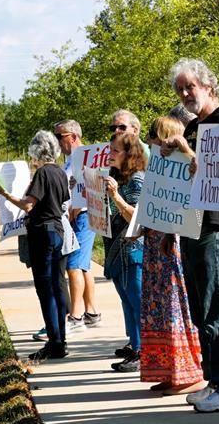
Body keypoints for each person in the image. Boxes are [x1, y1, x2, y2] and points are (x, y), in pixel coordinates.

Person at [164, 58, 219, 413]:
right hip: (193, 226)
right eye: (180, 89)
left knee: (218, 308)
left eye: (190, 87)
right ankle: (215, 380)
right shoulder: (198, 125)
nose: (185, 94)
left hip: (215, 228)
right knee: (202, 310)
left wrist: (185, 150)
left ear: (208, 87)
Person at [0, 130, 72, 361]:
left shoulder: (43, 173)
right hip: (57, 231)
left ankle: (55, 342)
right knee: (57, 285)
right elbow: (63, 199)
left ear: (37, 150)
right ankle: (60, 340)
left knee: (45, 290)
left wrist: (1, 192)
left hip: (42, 233)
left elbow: (28, 205)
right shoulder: (60, 172)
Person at [139, 115, 205, 394]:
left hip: (171, 243)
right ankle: (167, 371)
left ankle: (187, 372)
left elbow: (186, 202)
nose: (151, 142)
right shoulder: (158, 165)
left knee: (174, 306)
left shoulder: (183, 165)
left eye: (155, 136)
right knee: (158, 308)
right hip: (154, 245)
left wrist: (167, 234)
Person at [104, 129, 148, 373]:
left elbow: (138, 216)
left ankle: (144, 351)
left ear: (129, 154)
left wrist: (115, 197)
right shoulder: (118, 178)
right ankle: (135, 345)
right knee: (126, 300)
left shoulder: (138, 180)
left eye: (115, 151)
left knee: (136, 300)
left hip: (134, 249)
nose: (110, 154)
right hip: (116, 249)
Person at [55, 119, 102, 334]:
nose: (57, 142)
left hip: (82, 217)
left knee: (73, 266)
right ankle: (91, 312)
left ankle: (75, 317)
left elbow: (91, 189)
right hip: (78, 217)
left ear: (73, 136)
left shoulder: (86, 157)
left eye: (59, 137)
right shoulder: (72, 160)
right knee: (83, 266)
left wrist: (74, 206)